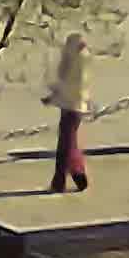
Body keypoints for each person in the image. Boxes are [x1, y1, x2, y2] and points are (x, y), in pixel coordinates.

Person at [45, 32, 94, 194]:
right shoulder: (81, 60)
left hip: (71, 106)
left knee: (66, 145)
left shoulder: (74, 61)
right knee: (69, 143)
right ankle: (76, 175)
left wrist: (53, 97)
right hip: (75, 105)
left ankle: (63, 180)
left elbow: (68, 84)